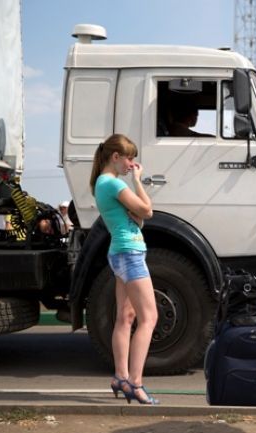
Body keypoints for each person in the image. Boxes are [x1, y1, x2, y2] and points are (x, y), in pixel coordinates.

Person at [90, 133, 159, 405]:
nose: (131, 164)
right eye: (128, 158)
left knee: (125, 317)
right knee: (149, 318)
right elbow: (147, 210)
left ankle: (120, 376)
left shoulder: (103, 183)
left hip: (120, 252)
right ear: (115, 157)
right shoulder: (111, 183)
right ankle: (135, 382)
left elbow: (136, 216)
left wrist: (136, 216)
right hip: (129, 253)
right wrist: (138, 181)